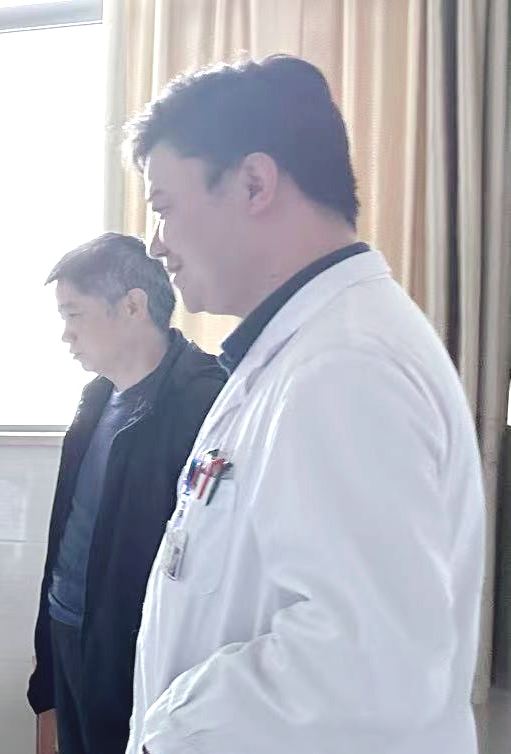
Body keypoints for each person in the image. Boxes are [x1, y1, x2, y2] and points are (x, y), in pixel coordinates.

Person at [124, 54, 485, 754]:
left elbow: (367, 666)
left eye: (163, 207)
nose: (155, 243)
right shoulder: (303, 350)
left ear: (254, 183)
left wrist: (168, 731)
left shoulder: (346, 366)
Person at [26, 233, 225, 754]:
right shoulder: (95, 400)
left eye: (75, 314)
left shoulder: (207, 401)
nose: (66, 335)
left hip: (142, 646)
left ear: (133, 306)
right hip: (70, 627)